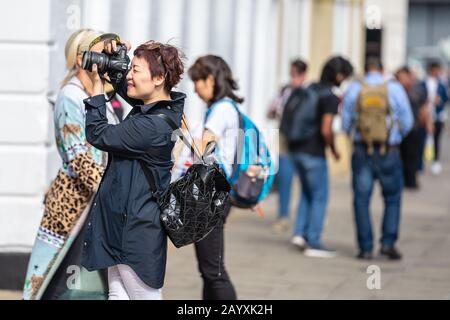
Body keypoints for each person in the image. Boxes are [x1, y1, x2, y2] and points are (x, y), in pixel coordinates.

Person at [80, 39, 185, 300]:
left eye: (135, 70)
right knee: (118, 295)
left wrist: (95, 90)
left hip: (136, 233)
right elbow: (124, 83)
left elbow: (98, 133)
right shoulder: (155, 109)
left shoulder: (152, 126)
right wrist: (113, 51)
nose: (129, 76)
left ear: (159, 78)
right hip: (123, 226)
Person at [22, 29, 121, 300]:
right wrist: (116, 190)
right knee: (59, 279)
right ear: (81, 59)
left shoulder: (99, 94)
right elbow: (78, 157)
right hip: (74, 202)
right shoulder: (70, 96)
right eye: (101, 55)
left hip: (96, 202)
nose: (105, 62)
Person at [342, 57, 413, 260]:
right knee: (392, 198)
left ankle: (365, 248)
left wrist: (354, 136)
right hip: (388, 151)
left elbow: (346, 122)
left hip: (362, 150)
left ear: (365, 70)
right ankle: (388, 244)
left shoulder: (355, 88)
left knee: (361, 200)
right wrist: (394, 138)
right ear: (382, 70)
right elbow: (407, 121)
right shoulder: (395, 88)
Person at [289, 56, 353, 258]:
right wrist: (333, 150)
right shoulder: (330, 97)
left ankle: (299, 234)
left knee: (307, 193)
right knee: (319, 196)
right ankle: (314, 242)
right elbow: (326, 129)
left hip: (296, 149)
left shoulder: (311, 88)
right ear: (340, 75)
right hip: (314, 153)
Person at [188, 55, 240, 300]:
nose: (196, 89)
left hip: (211, 196)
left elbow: (203, 149)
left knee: (213, 271)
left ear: (209, 79)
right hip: (219, 193)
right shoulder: (228, 107)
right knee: (209, 270)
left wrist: (183, 135)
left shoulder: (221, 110)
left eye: (197, 82)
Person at [267, 59, 308, 233]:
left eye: (296, 73)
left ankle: (303, 218)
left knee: (305, 180)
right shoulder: (285, 91)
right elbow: (270, 111)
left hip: (303, 141)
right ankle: (284, 215)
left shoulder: (306, 91)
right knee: (285, 177)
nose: (293, 77)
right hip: (286, 138)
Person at [395, 66, 429, 189]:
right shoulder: (395, 89)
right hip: (398, 129)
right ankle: (401, 179)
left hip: (414, 127)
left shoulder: (418, 89)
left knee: (413, 155)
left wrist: (427, 123)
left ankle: (411, 180)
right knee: (400, 156)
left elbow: (424, 106)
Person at [422, 61, 449, 175]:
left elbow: (446, 98)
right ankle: (421, 162)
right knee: (423, 138)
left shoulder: (441, 84)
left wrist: (440, 100)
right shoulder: (423, 83)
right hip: (425, 115)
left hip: (437, 115)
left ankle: (435, 161)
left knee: (436, 138)